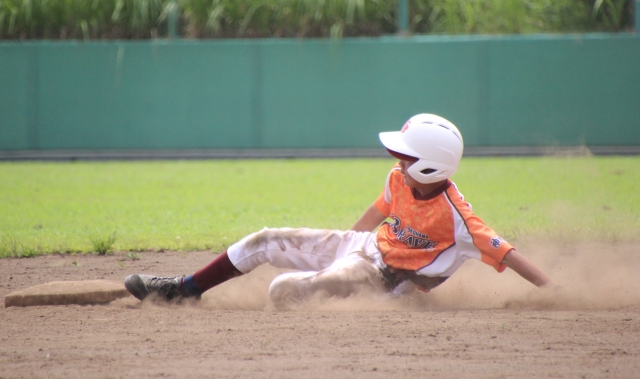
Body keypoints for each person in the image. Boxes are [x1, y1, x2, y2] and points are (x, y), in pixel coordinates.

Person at [124, 114, 552, 306]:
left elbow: (509, 254)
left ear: (430, 166)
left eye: (406, 155)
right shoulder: (399, 178)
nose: (398, 159)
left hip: (385, 279)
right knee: (265, 240)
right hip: (362, 248)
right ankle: (187, 288)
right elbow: (375, 213)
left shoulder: (459, 219)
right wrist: (342, 248)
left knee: (283, 291)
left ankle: (326, 280)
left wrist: (554, 291)